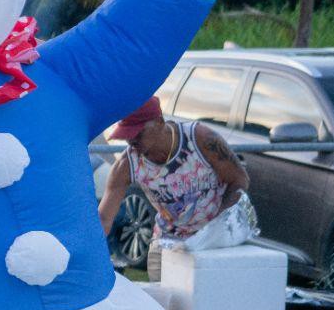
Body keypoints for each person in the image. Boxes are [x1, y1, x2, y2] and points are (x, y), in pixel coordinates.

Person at [97, 96, 252, 269]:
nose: (132, 142)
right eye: (127, 136)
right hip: (168, 244)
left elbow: (239, 179)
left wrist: (214, 229)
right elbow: (104, 219)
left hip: (215, 242)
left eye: (138, 134)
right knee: (164, 294)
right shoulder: (127, 165)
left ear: (160, 122)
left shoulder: (200, 139)